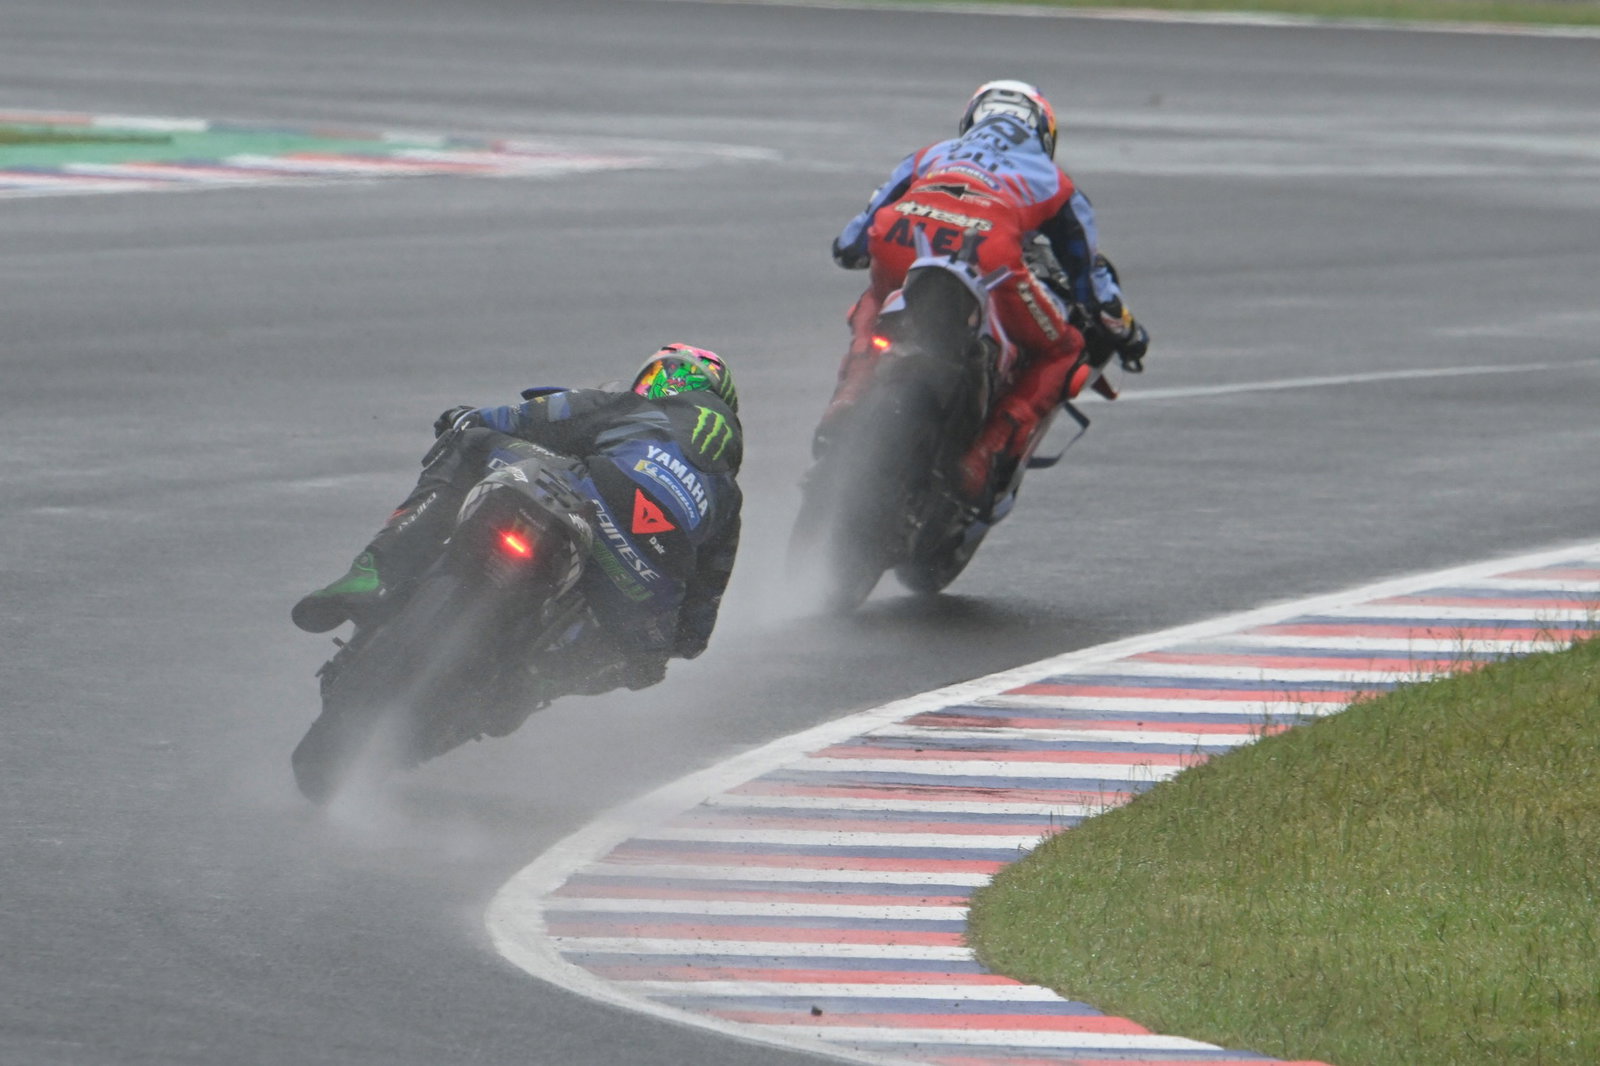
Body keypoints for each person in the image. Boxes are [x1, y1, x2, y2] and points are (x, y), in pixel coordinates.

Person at [291, 344, 742, 695]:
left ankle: (374, 570)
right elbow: (694, 633)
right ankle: (528, 686)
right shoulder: (728, 499)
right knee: (641, 663)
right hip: (647, 580)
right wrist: (652, 644)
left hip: (596, 496)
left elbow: (535, 416)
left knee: (471, 443)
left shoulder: (633, 406)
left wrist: (465, 418)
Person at [825, 79, 1149, 501]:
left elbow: (849, 246)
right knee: (1064, 349)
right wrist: (1128, 333)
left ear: (971, 120)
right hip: (989, 253)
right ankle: (985, 453)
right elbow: (1091, 287)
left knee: (875, 298)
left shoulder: (929, 155)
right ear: (1044, 134)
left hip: (902, 235)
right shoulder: (1054, 181)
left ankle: (850, 393)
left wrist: (864, 251)